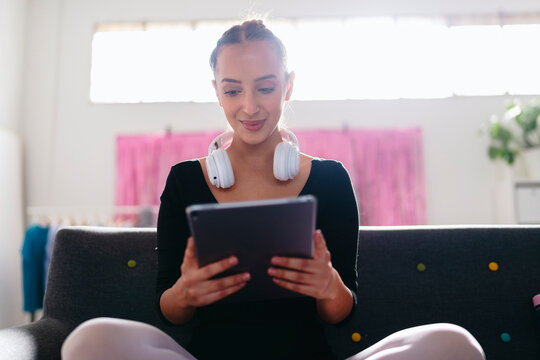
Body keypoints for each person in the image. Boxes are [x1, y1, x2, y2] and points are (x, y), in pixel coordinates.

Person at [62, 19, 485, 360]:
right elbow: (168, 308)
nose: (249, 106)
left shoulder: (331, 179)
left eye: (265, 87)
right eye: (232, 90)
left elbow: (341, 313)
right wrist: (185, 292)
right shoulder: (185, 180)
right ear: (217, 92)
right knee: (88, 341)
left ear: (288, 85)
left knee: (455, 344)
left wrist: (328, 285)